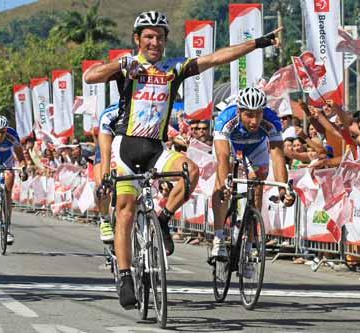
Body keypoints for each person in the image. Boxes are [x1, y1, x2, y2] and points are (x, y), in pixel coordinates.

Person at [84, 10, 282, 309]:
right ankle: (125, 275)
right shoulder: (127, 67)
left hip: (156, 148)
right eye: (149, 36)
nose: (155, 42)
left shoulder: (173, 69)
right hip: (126, 147)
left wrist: (258, 43)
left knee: (190, 171)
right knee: (125, 210)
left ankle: (162, 219)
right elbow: (89, 76)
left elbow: (217, 58)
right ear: (137, 39)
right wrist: (119, 64)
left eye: (160, 37)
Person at [211, 87, 295, 259]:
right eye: (249, 115)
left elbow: (278, 158)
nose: (254, 121)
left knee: (257, 184)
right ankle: (219, 238)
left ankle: (249, 244)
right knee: (222, 186)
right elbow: (223, 156)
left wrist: (283, 190)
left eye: (258, 114)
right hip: (231, 146)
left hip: (255, 148)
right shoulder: (226, 118)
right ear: (239, 111)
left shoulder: (271, 121)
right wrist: (226, 183)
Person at [0, 115, 27, 244]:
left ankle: (7, 227)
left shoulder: (12, 135)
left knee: (8, 187)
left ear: (6, 130)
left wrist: (23, 170)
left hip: (7, 158)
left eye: (2, 132)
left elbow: (20, 157)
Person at [94, 103, 120, 243]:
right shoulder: (110, 114)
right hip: (108, 149)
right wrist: (105, 180)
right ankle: (104, 219)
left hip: (131, 150)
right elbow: (105, 156)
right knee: (102, 186)